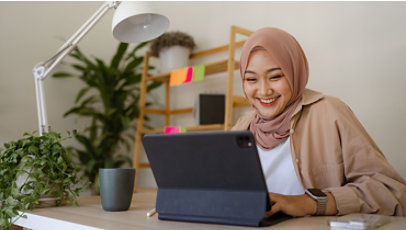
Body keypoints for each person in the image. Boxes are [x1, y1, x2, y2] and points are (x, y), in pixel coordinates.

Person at [232, 27, 406, 217]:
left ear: (294, 71)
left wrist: (312, 203)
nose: (264, 91)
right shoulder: (242, 127)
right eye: (251, 79)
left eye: (275, 76)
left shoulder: (330, 112)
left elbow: (393, 192)